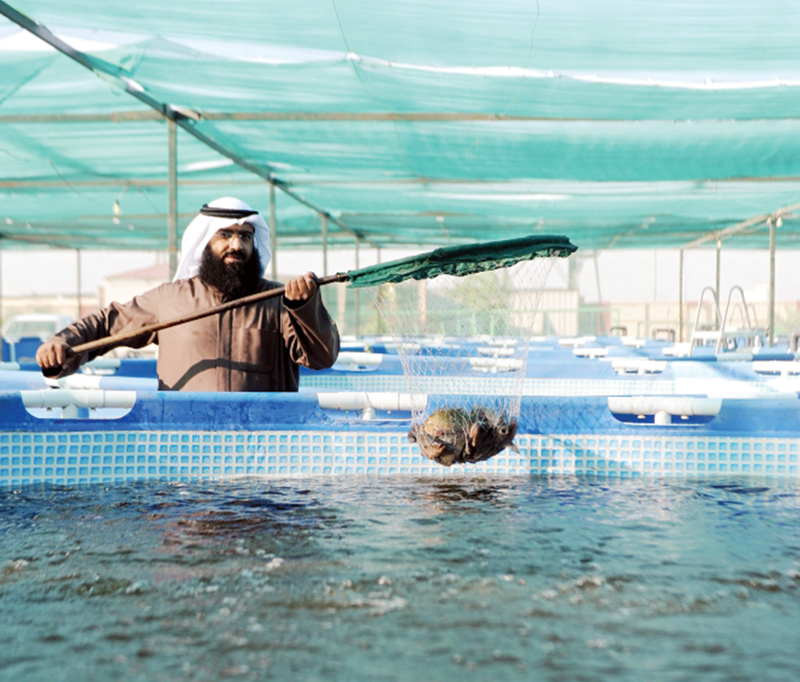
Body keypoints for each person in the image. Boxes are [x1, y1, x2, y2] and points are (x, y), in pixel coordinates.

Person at [36, 197, 340, 391]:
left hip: (265, 458)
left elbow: (323, 358)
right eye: (225, 234)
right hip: (184, 452)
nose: (237, 245)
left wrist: (306, 308)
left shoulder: (280, 300)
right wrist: (61, 345)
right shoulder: (170, 300)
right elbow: (106, 325)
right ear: (204, 243)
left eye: (246, 237)